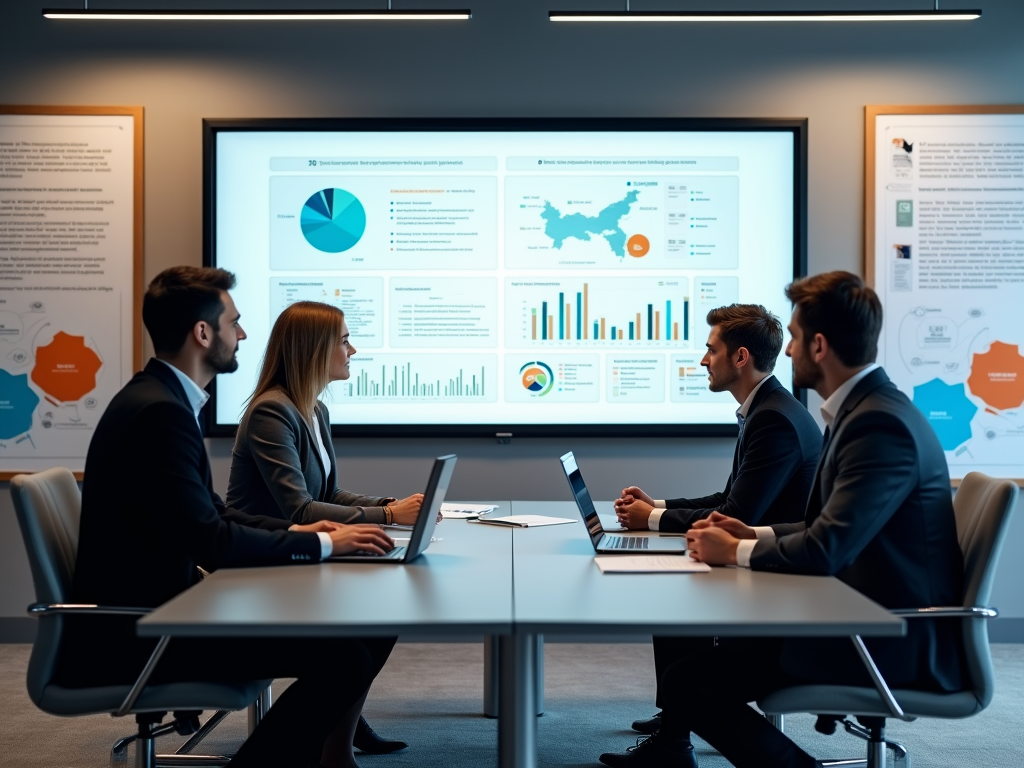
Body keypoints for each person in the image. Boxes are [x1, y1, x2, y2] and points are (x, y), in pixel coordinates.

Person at [599, 271, 965, 768]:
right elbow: (820, 523)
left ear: (818, 345)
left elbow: (827, 547)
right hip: (855, 612)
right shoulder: (864, 411)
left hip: (885, 639)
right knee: (689, 665)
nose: (787, 351)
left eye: (793, 338)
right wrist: (754, 533)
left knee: (689, 679)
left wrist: (737, 548)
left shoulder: (878, 425)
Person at [62, 266, 399, 768]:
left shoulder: (162, 401)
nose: (242, 334)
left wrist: (304, 530)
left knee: (357, 639)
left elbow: (212, 515)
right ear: (203, 333)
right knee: (344, 656)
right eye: (233, 323)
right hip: (150, 631)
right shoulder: (160, 413)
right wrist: (322, 543)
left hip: (172, 609)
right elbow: (213, 542)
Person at [613, 304, 822, 737]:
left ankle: (677, 727)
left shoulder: (775, 420)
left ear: (740, 357)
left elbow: (735, 516)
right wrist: (658, 506)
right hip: (765, 564)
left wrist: (652, 519)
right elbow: (729, 498)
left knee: (673, 590)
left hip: (776, 580)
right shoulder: (765, 408)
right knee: (672, 586)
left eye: (711, 350)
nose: (704, 360)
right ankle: (676, 721)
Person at [227, 301, 423, 528]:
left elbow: (328, 495)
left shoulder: (317, 410)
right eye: (344, 341)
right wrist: (389, 516)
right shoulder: (271, 411)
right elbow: (301, 510)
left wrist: (388, 505)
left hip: (294, 547)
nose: (352, 350)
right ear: (315, 349)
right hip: (256, 552)